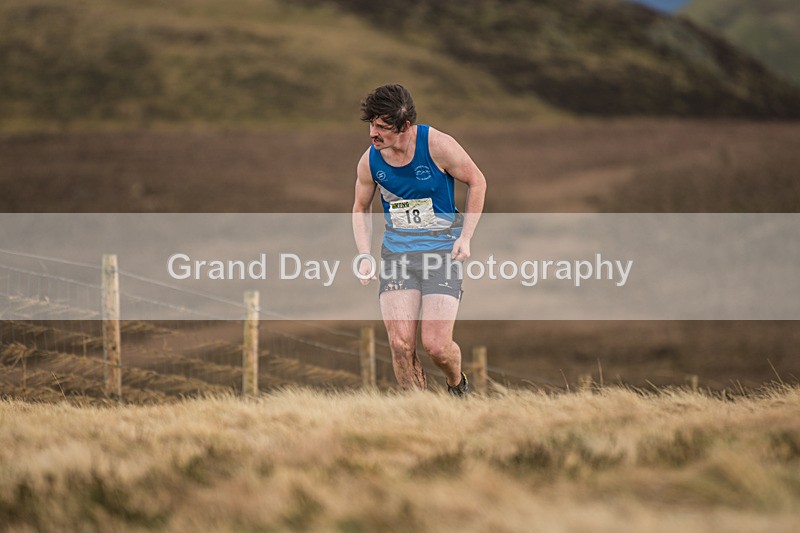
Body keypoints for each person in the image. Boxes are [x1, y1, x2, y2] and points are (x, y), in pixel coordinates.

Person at [352, 84, 487, 396]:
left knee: (437, 346)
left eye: (382, 127)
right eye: (371, 124)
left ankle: (457, 386)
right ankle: (419, 410)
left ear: (404, 126)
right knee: (400, 344)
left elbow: (477, 181)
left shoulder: (438, 145)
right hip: (397, 255)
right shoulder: (370, 161)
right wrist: (364, 253)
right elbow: (360, 207)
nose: (373, 134)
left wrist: (466, 237)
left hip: (442, 253)